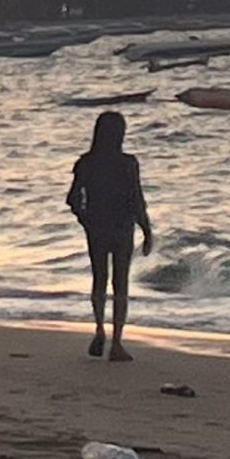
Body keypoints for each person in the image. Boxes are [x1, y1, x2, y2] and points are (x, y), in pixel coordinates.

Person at [66, 110, 154, 361]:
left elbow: (72, 199)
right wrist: (146, 230)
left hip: (97, 226)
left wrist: (85, 220)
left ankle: (99, 330)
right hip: (122, 227)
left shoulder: (86, 162)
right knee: (120, 284)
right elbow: (137, 200)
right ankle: (117, 342)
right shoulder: (128, 163)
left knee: (99, 279)